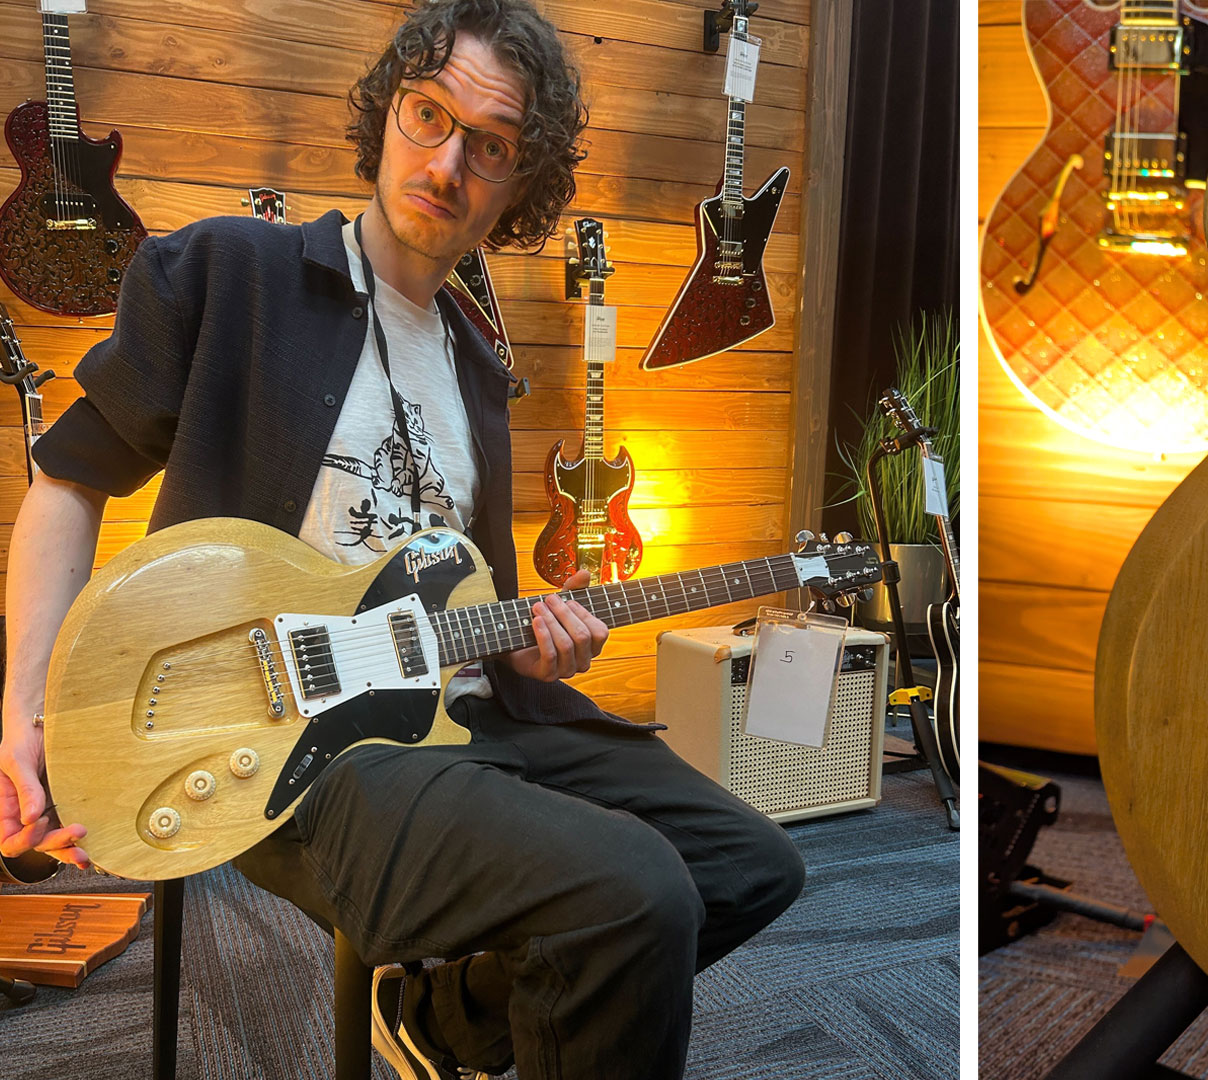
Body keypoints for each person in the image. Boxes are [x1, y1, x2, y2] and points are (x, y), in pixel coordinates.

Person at [0, 2, 806, 1077]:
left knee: (753, 865)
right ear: (386, 111)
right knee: (636, 889)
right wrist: (25, 708)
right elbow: (67, 480)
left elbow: (468, 597)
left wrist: (536, 648)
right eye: (429, 115)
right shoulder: (233, 274)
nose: (447, 163)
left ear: (520, 185)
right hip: (300, 750)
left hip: (464, 714)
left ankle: (443, 1021)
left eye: (493, 146)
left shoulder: (480, 366)